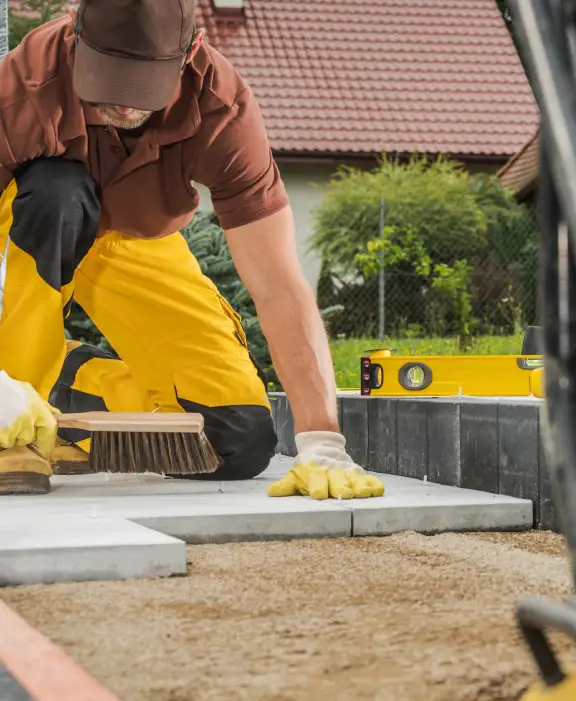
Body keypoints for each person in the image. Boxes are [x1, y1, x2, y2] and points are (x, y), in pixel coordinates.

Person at [0, 0, 384, 502]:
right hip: (33, 226)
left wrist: (321, 440)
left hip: (138, 240)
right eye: (106, 78)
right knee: (58, 192)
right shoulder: (21, 88)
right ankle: (15, 408)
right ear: (76, 38)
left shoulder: (222, 110)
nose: (120, 104)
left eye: (139, 86)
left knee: (233, 439)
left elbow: (278, 284)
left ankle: (56, 386)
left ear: (188, 55)